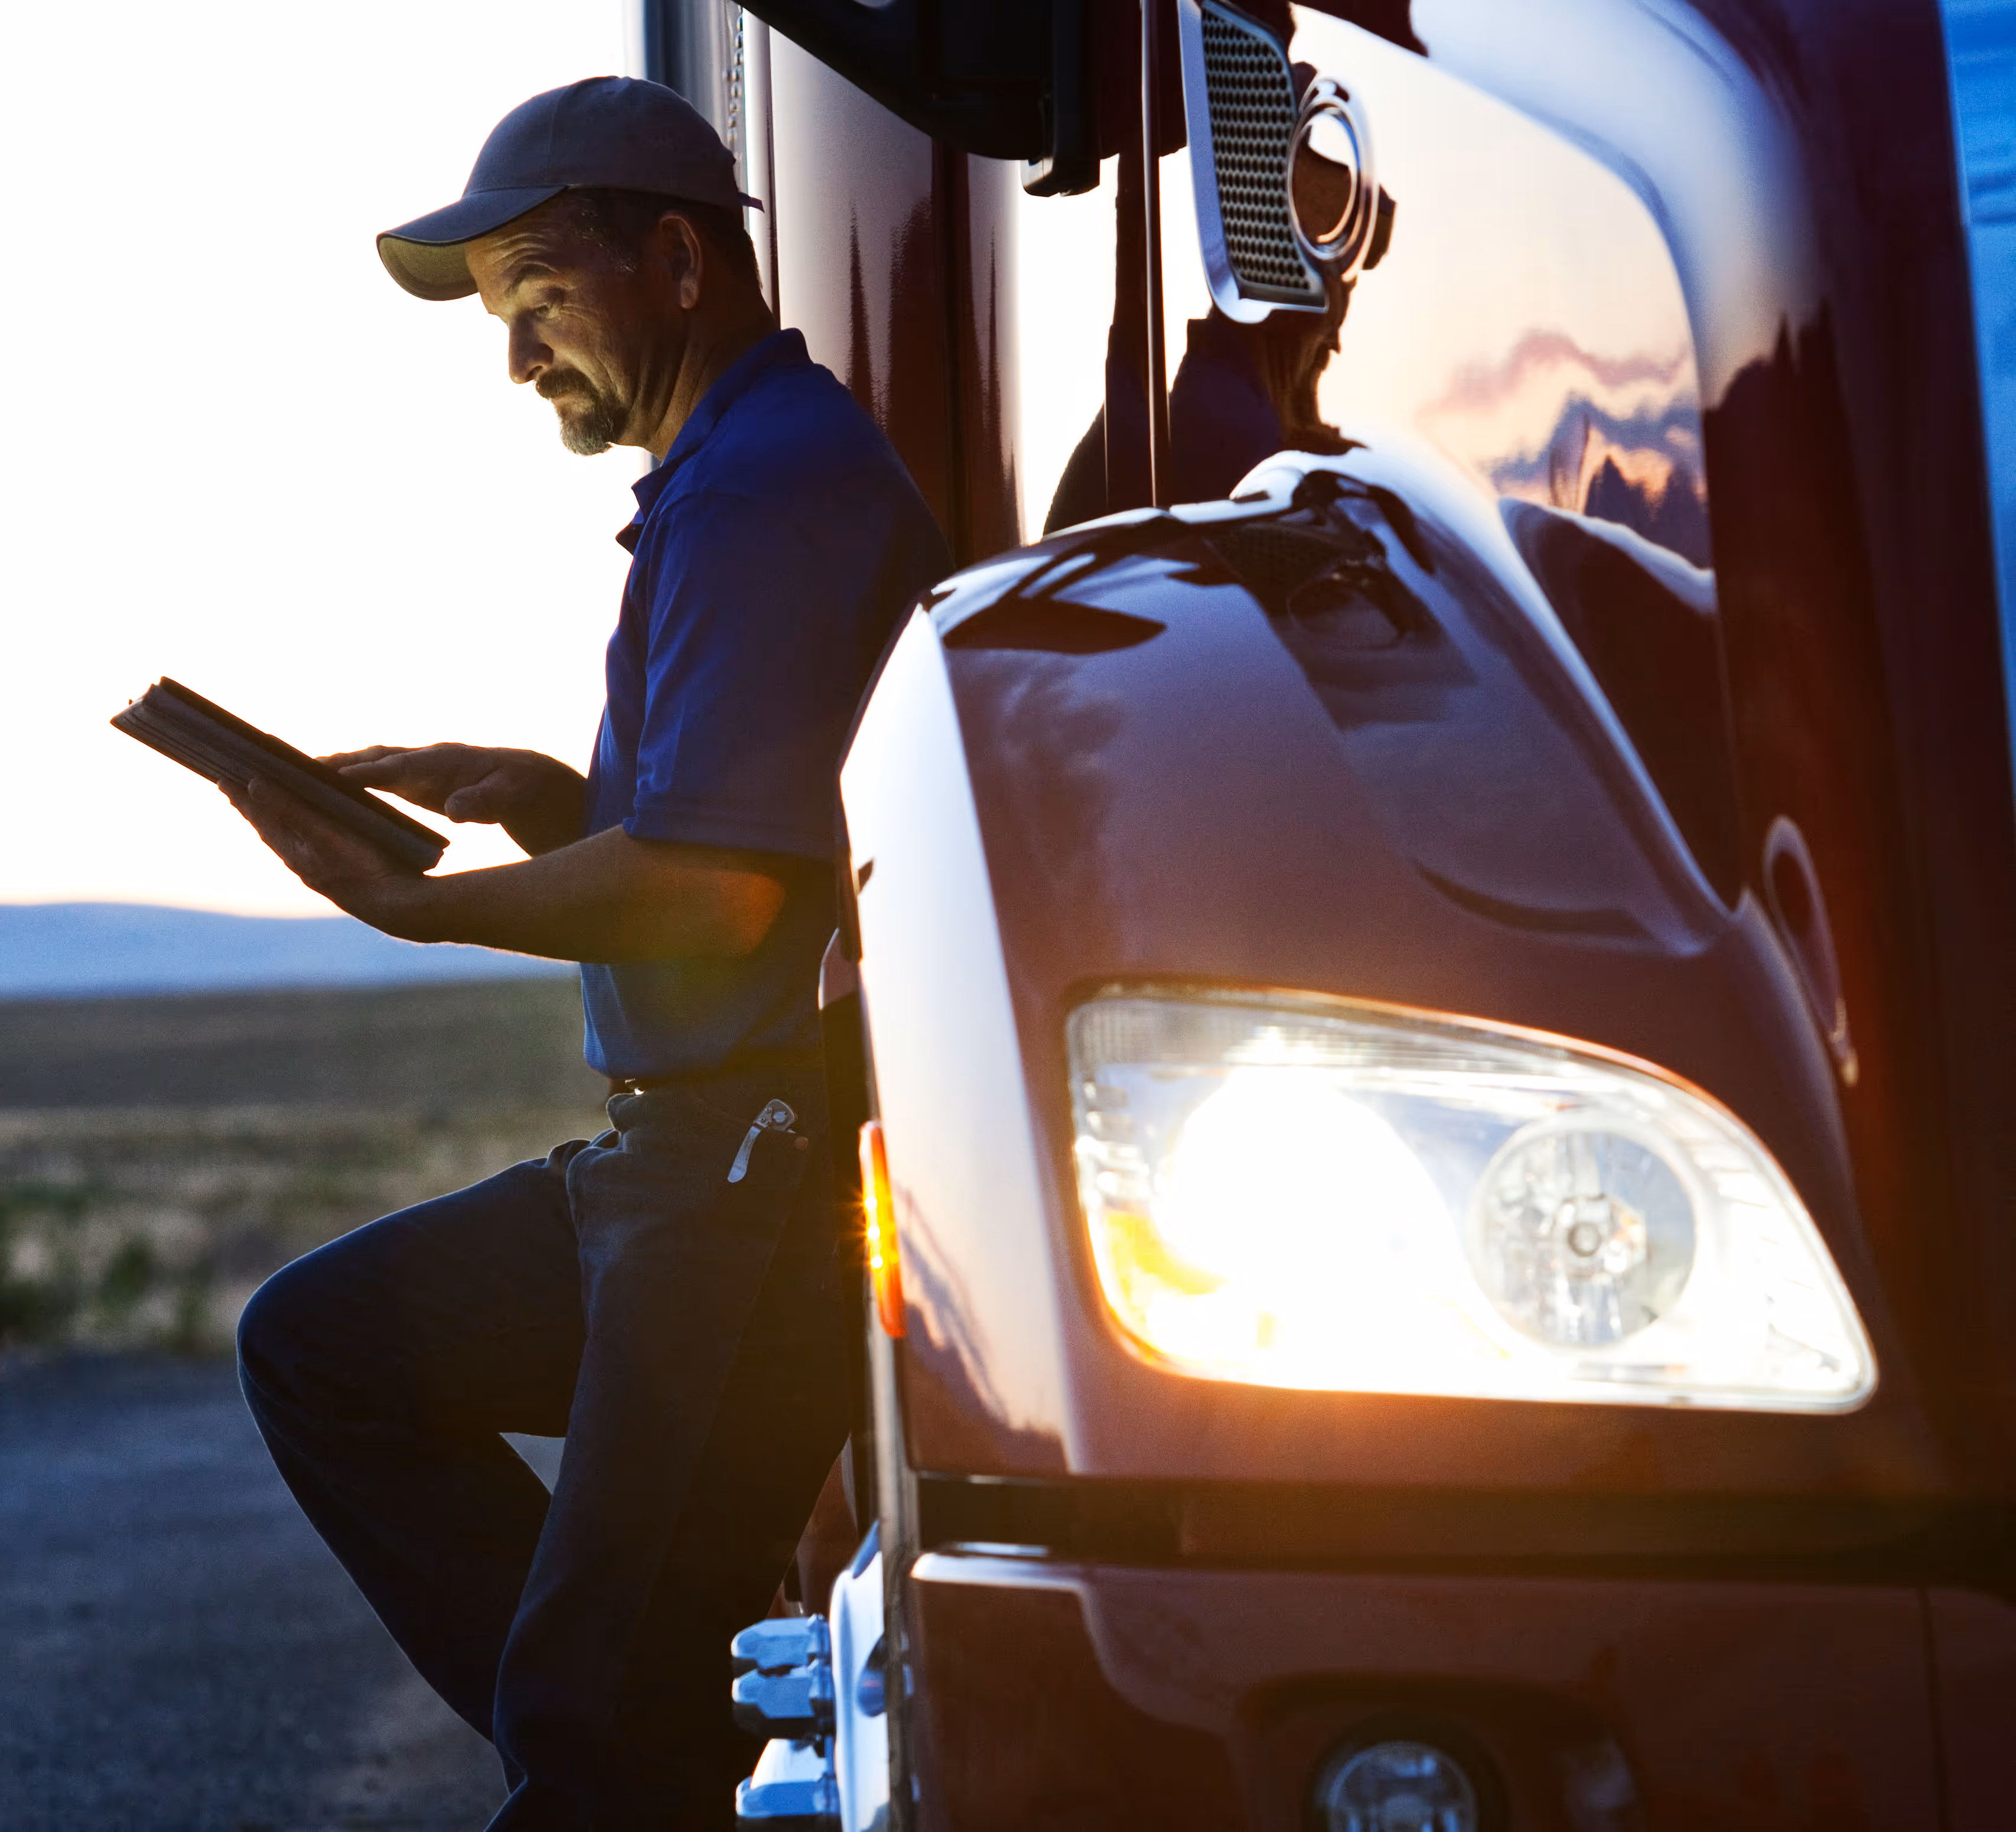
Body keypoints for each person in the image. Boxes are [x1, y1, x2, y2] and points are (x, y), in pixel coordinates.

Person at [227, 76, 949, 1830]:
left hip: (749, 1182)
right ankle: (634, 1739)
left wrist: (418, 907)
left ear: (679, 264)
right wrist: (557, 806)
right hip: (682, 1163)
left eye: (539, 301)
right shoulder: (732, 476)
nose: (515, 360)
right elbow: (743, 842)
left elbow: (718, 903)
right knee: (326, 1351)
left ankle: (617, 1745)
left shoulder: (767, 489)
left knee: (592, 1722)